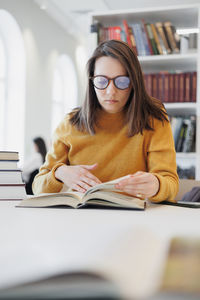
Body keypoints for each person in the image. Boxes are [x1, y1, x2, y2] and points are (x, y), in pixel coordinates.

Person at [33, 40, 178, 202]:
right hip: (82, 218)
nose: (111, 91)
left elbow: (171, 184)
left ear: (133, 83)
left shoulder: (154, 119)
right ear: (91, 81)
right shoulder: (70, 123)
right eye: (102, 81)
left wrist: (157, 184)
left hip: (135, 219)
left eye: (122, 81)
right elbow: (38, 187)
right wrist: (59, 173)